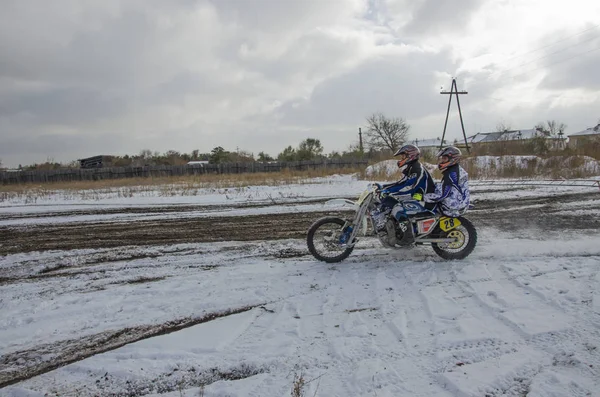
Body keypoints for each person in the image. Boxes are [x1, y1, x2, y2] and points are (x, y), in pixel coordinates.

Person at [371, 144, 435, 245]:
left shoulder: (417, 169)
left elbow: (409, 187)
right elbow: (401, 183)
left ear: (410, 156)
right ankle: (393, 229)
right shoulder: (411, 168)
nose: (401, 159)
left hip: (425, 199)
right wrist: (384, 188)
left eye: (403, 156)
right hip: (417, 196)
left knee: (398, 208)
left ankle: (408, 237)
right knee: (388, 203)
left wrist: (389, 191)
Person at [424, 146, 470, 217]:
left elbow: (442, 196)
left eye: (444, 158)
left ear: (453, 159)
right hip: (462, 201)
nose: (442, 161)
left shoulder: (451, 175)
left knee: (426, 209)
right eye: (442, 158)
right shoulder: (456, 169)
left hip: (453, 207)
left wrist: (421, 197)